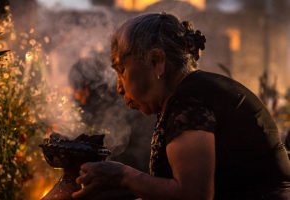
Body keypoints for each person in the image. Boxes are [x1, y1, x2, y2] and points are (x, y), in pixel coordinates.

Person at [72, 13, 290, 200]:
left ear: (157, 61)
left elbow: (193, 194)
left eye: (122, 71)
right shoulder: (190, 93)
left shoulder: (190, 99)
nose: (119, 87)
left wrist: (122, 176)